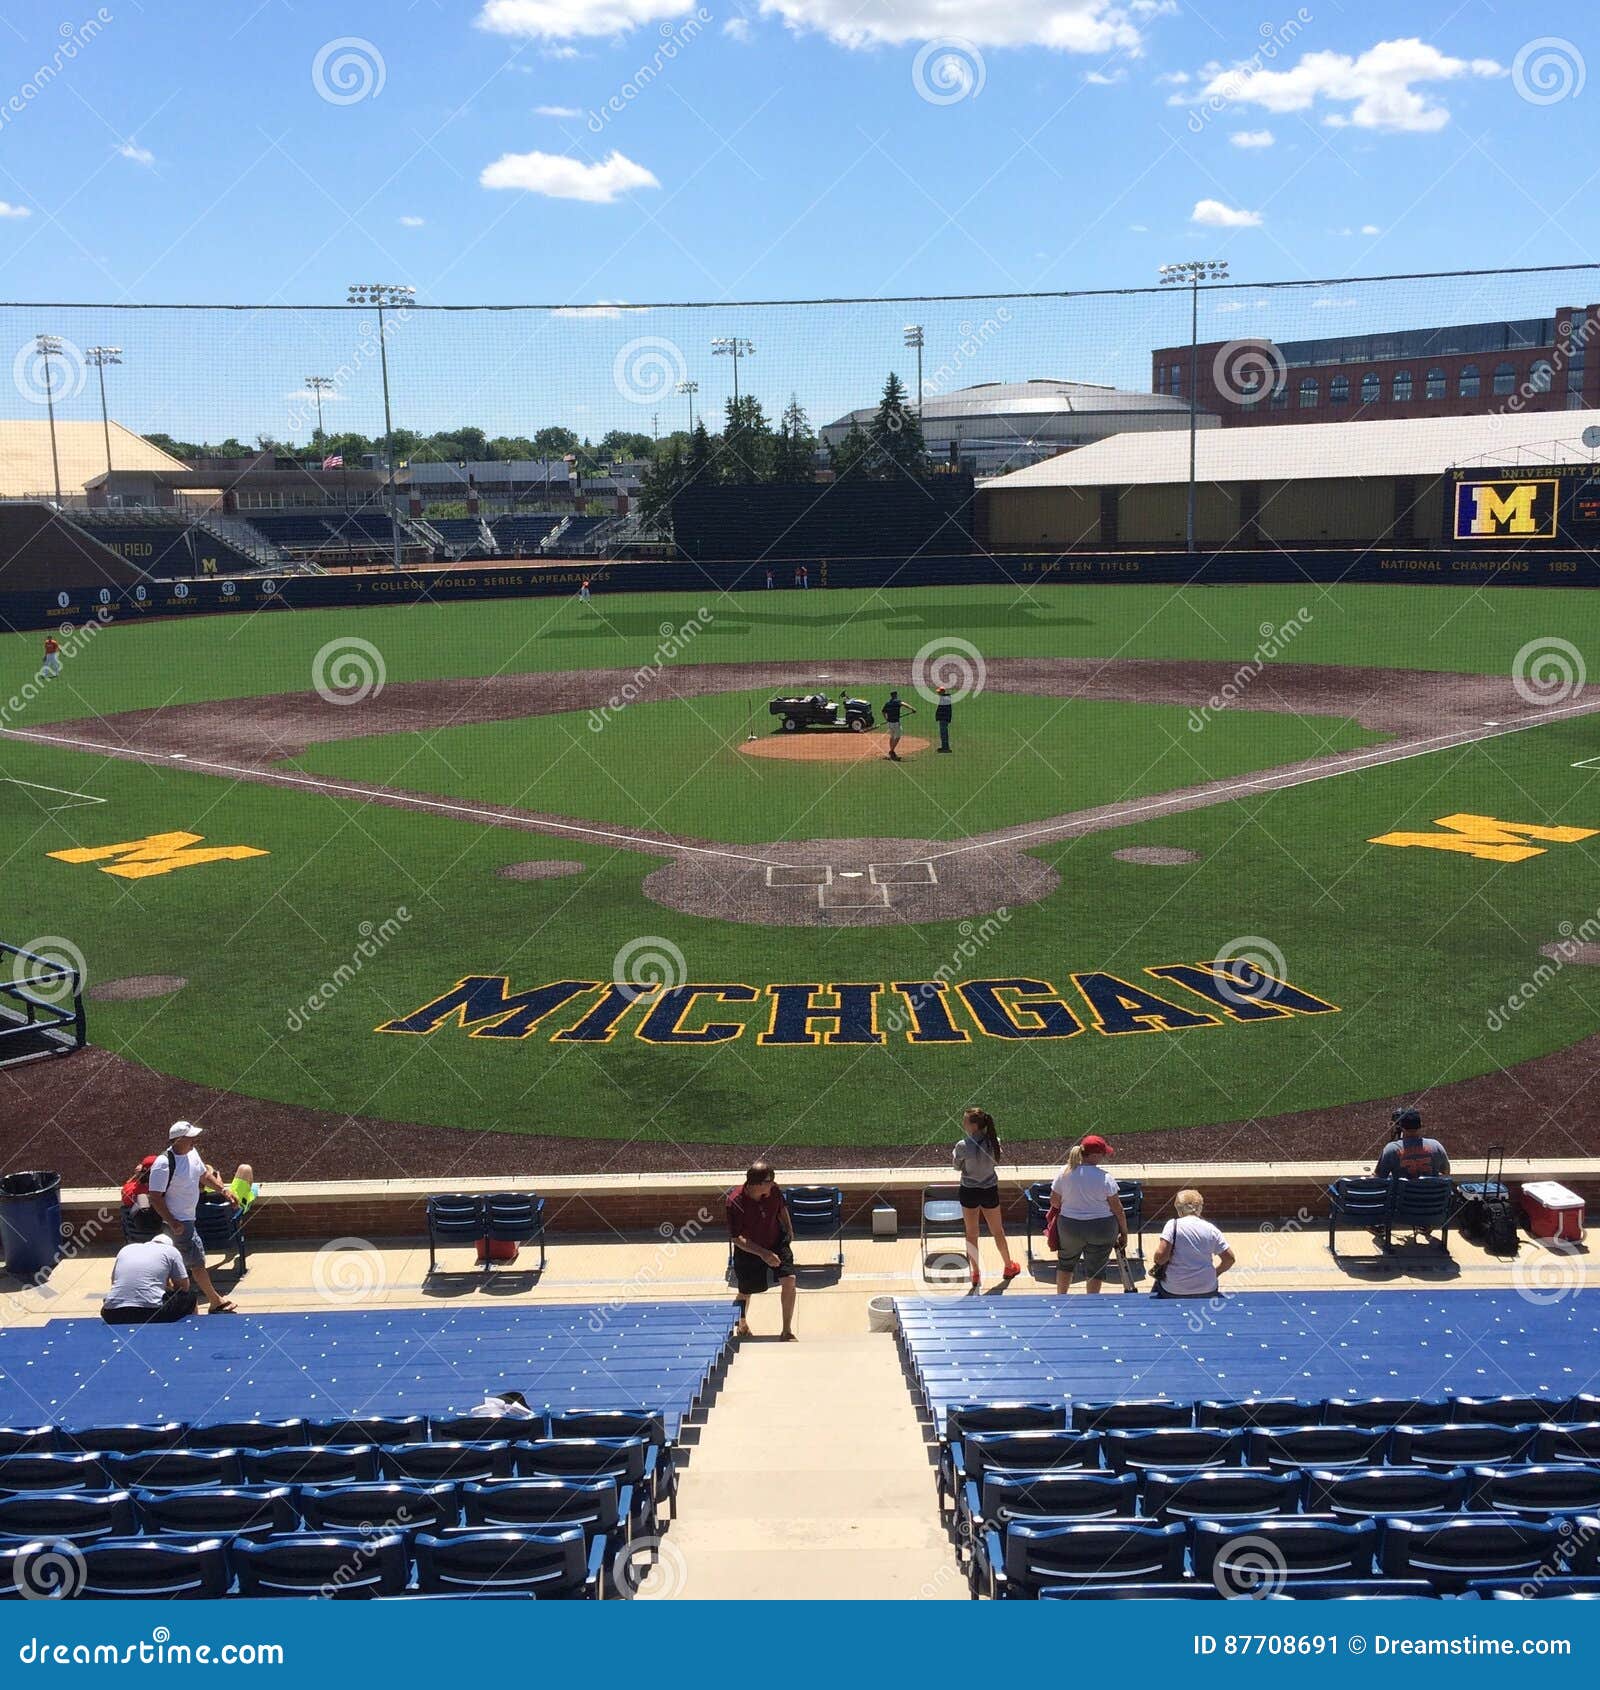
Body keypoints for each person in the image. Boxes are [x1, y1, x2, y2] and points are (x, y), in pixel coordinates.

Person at [146, 1121, 238, 1313]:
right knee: (196, 1262)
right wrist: (173, 1222)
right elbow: (154, 1197)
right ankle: (215, 1301)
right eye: (190, 1137)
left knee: (180, 1264)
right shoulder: (163, 1164)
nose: (194, 1139)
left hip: (186, 1218)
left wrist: (224, 1190)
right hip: (178, 1222)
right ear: (179, 1139)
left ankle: (182, 1302)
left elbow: (203, 1175)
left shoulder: (192, 1153)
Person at [1047, 1134, 1128, 1294]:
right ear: (1093, 1155)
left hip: (1069, 1227)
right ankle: (1092, 1302)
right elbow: (1117, 1209)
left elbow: (1054, 1202)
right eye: (1102, 1153)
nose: (1104, 1156)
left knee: (1065, 1264)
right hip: (1102, 1229)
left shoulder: (1064, 1172)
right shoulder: (1105, 1178)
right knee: (1096, 1268)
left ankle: (1061, 1298)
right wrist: (1124, 1232)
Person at [726, 1160, 797, 1340]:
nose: (772, 1183)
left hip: (775, 1240)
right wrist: (764, 1254)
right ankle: (742, 1325)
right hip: (749, 1248)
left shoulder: (773, 1190)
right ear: (756, 1183)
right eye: (769, 1180)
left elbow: (782, 1208)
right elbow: (737, 1238)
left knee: (789, 1280)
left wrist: (789, 1229)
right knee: (745, 1291)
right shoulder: (735, 1202)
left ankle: (786, 1331)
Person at [952, 1106, 1021, 1287]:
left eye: (965, 1120)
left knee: (971, 1233)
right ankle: (1008, 1265)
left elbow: (957, 1167)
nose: (963, 1123)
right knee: (997, 1231)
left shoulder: (962, 1146)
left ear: (973, 1126)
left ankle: (975, 1273)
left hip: (969, 1191)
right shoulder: (994, 1142)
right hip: (989, 1190)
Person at [1151, 1189, 1234, 1298]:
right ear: (1200, 1208)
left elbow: (1160, 1258)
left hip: (1174, 1289)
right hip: (1207, 1288)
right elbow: (1230, 1259)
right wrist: (1215, 1273)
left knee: (1158, 1284)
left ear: (1179, 1208)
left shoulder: (1172, 1225)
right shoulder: (1211, 1229)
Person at [101, 1231, 197, 1325]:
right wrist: (167, 1285)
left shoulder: (126, 1249)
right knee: (190, 1296)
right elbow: (183, 1288)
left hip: (111, 1314)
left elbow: (114, 1282)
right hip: (151, 1313)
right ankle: (192, 1329)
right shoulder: (171, 1251)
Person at [1376, 1109, 1450, 1179]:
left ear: (1402, 1127)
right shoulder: (1436, 1146)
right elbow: (1446, 1171)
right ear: (1420, 1126)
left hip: (1403, 1192)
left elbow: (1379, 1177)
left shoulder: (1391, 1149)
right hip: (1433, 1192)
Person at [883, 688, 916, 761]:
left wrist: (886, 719)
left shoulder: (887, 703)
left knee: (892, 737)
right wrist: (912, 709)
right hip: (896, 723)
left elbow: (883, 712)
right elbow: (904, 704)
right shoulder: (897, 701)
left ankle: (891, 751)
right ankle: (891, 751)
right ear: (896, 695)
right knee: (897, 737)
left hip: (889, 723)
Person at [934, 686, 953, 752]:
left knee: (944, 733)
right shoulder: (945, 698)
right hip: (943, 718)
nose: (938, 693)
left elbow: (943, 710)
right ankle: (944, 747)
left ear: (942, 692)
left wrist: (939, 716)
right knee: (943, 733)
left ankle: (945, 748)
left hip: (944, 719)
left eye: (939, 692)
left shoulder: (945, 699)